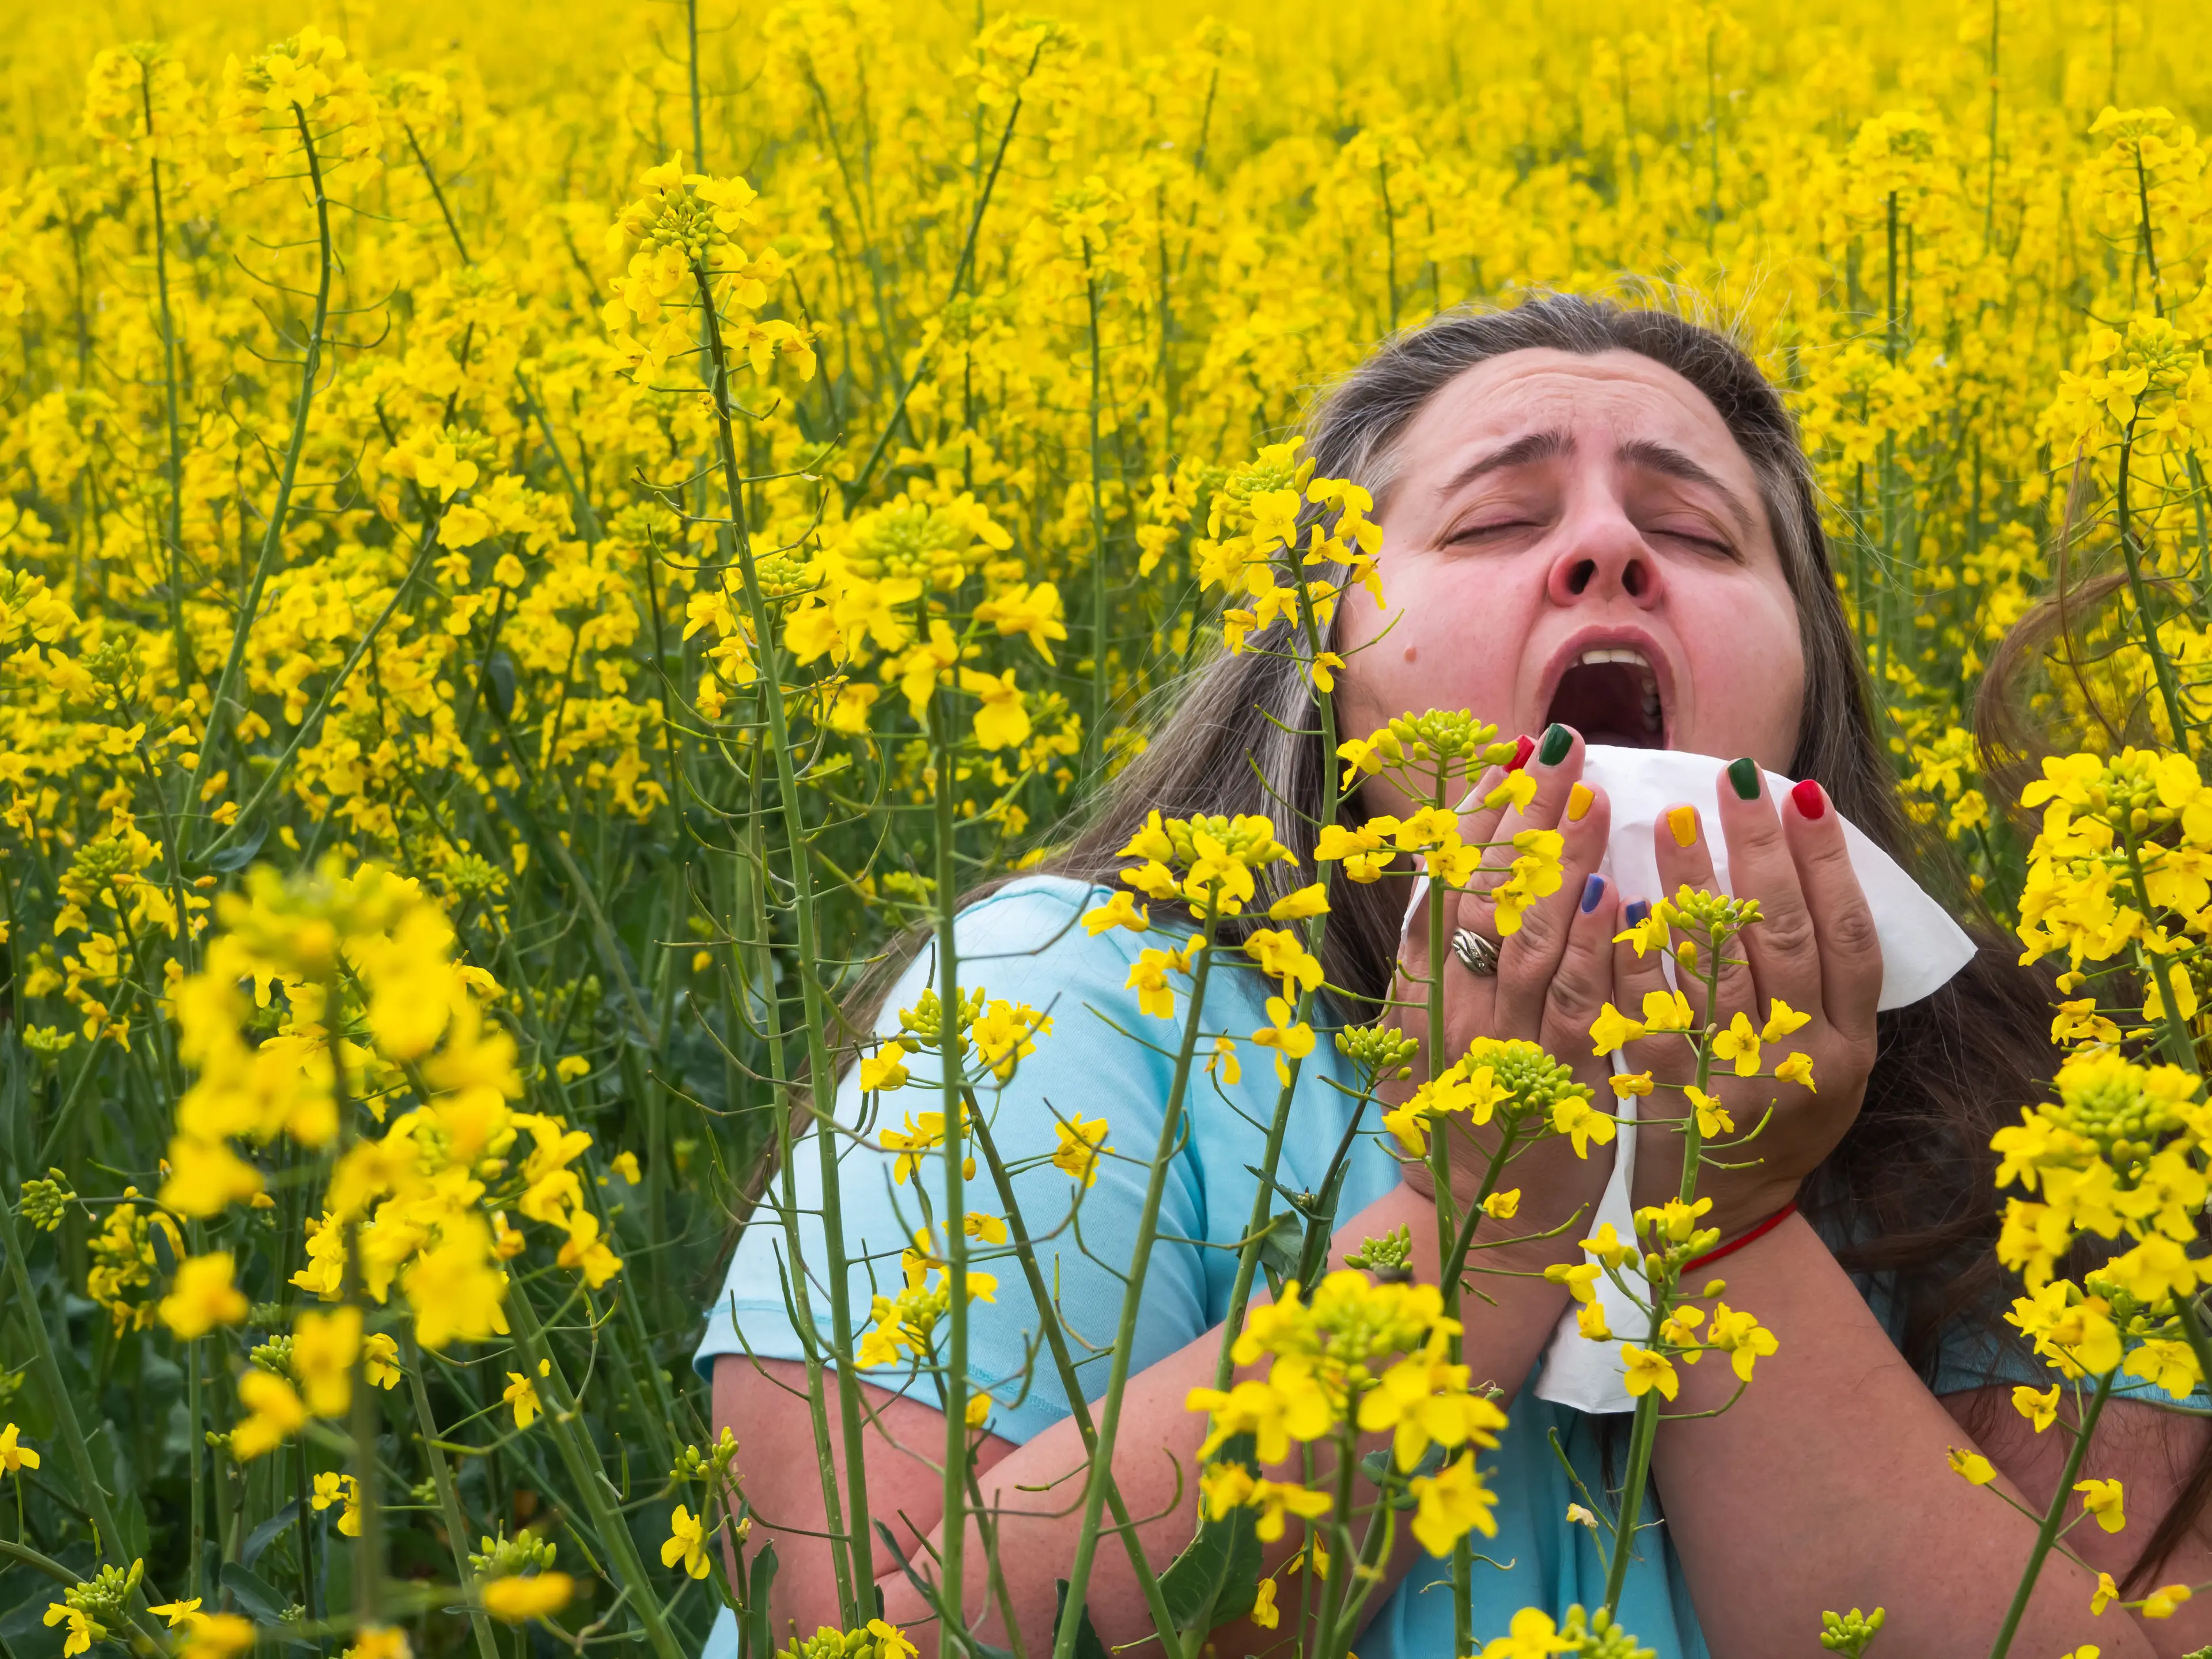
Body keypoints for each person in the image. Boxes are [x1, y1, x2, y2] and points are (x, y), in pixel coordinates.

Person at [699, 295, 2212, 1657]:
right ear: (1326, 657)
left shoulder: (2032, 1089)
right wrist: (1481, 1213)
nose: (1607, 548)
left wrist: (1730, 1218)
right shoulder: (1079, 991)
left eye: (1696, 531)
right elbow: (847, 1622)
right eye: (1495, 522)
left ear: (1807, 668)